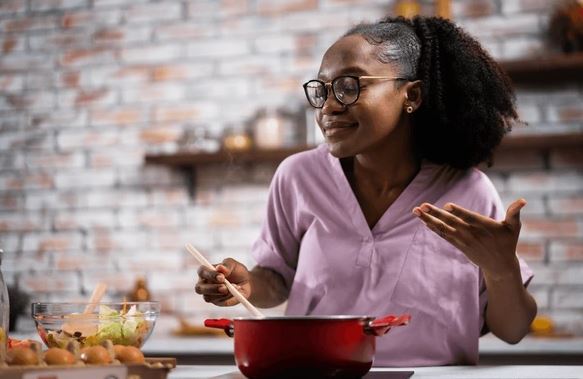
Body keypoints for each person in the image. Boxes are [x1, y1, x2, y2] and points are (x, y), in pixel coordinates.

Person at [195, 15, 537, 366]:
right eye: (322, 90)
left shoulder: (469, 192)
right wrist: (247, 284)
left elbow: (512, 330)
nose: (328, 106)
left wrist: (501, 269)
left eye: (348, 86)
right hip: (317, 373)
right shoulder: (298, 177)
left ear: (412, 95)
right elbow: (277, 278)